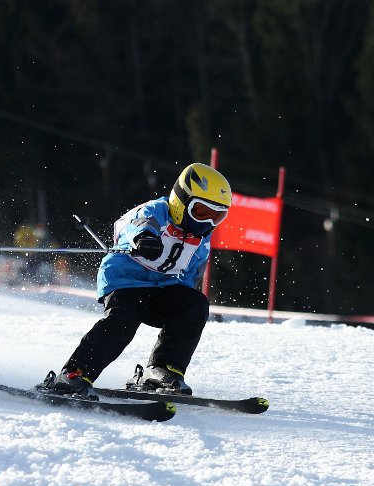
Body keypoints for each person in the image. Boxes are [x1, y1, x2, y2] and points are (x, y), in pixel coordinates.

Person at [39, 162, 232, 399]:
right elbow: (137, 225)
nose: (208, 223)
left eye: (218, 216)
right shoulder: (155, 212)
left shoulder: (201, 242)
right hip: (125, 283)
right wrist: (144, 239)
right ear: (181, 201)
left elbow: (189, 277)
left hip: (161, 289)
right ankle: (74, 374)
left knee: (195, 304)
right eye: (201, 212)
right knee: (124, 319)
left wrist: (180, 309)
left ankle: (163, 369)